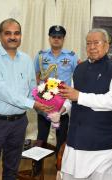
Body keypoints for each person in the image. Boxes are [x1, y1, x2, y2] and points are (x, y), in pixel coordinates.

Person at [0, 18, 52, 180]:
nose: (13, 37)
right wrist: (32, 103)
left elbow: (32, 89)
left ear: (21, 36)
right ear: (0, 36)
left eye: (17, 33)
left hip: (19, 122)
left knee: (12, 168)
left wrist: (48, 98)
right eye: (8, 33)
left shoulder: (26, 60)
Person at [59, 28, 112, 180]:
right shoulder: (79, 68)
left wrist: (79, 96)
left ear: (106, 45)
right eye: (88, 43)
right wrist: (61, 110)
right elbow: (71, 97)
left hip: (100, 142)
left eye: (96, 43)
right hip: (75, 139)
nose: (92, 47)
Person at [34, 25, 78, 174]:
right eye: (54, 37)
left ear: (63, 39)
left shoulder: (71, 57)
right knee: (41, 138)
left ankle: (60, 167)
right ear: (49, 38)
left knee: (61, 138)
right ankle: (37, 167)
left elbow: (76, 77)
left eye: (59, 37)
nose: (56, 39)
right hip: (44, 104)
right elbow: (36, 77)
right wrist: (36, 98)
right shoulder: (41, 56)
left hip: (62, 106)